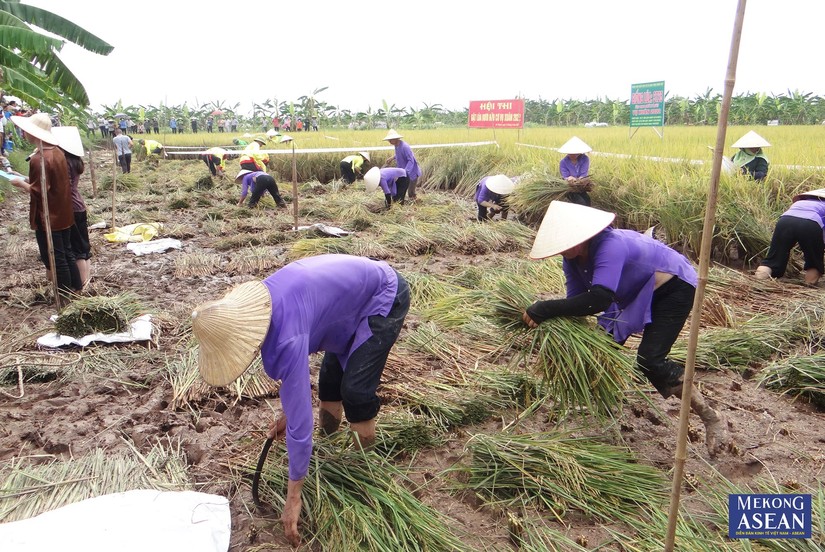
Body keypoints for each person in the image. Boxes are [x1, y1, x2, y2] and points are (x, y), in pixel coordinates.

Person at [191, 254, 409, 547]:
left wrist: (293, 497)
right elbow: (296, 398)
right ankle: (330, 448)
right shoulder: (267, 304)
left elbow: (301, 423)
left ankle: (362, 470)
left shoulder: (285, 337)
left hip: (383, 295)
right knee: (330, 382)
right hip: (346, 303)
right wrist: (288, 415)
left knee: (356, 391)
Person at [522, 201, 731, 457]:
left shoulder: (611, 245)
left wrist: (543, 308)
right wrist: (555, 321)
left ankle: (710, 416)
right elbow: (577, 302)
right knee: (599, 347)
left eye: (567, 242)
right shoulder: (572, 258)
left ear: (583, 236)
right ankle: (603, 405)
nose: (563, 249)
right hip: (630, 291)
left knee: (649, 359)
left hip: (673, 286)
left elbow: (597, 300)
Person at [8, 113, 82, 300]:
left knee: (57, 258)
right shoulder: (58, 152)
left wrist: (20, 183)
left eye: (25, 131)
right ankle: (76, 288)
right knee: (67, 252)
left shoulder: (38, 158)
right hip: (64, 214)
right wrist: (26, 179)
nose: (23, 133)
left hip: (50, 216)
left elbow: (40, 191)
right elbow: (50, 183)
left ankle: (64, 296)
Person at [755, 189, 825, 285]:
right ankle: (809, 286)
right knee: (814, 261)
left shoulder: (802, 202)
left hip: (784, 221)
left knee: (774, 257)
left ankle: (758, 282)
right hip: (811, 223)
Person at [52, 126, 92, 288]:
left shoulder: (65, 162)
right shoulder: (75, 160)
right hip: (78, 206)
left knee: (77, 250)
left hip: (70, 208)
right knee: (83, 247)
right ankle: (86, 283)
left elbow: (63, 188)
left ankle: (83, 286)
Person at [383, 129, 421, 201]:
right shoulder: (396, 145)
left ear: (396, 138)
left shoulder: (405, 147)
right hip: (403, 172)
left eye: (391, 139)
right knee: (401, 188)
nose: (389, 141)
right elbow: (398, 154)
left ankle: (416, 206)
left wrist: (405, 172)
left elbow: (411, 160)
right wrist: (392, 158)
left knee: (411, 193)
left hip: (411, 172)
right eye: (389, 140)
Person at [558, 136, 593, 206]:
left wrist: (578, 180)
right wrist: (569, 178)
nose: (573, 155)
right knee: (580, 202)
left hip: (580, 185)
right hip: (569, 187)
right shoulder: (563, 162)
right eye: (570, 152)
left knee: (587, 200)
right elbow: (565, 177)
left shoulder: (585, 159)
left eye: (575, 152)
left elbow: (583, 174)